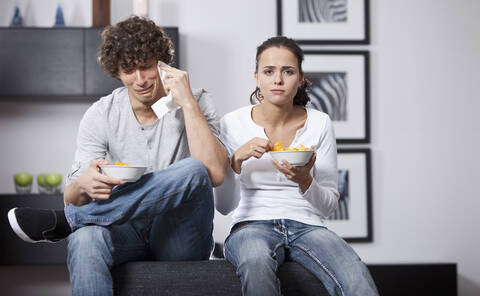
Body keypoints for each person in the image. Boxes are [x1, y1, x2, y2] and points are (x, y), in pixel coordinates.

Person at [7, 16, 229, 295]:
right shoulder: (102, 113)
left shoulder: (196, 101)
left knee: (195, 171)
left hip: (179, 233)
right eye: (129, 70)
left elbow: (215, 173)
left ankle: (68, 221)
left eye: (147, 67)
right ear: (117, 71)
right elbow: (72, 195)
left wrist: (187, 103)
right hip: (125, 229)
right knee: (85, 238)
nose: (140, 80)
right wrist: (84, 184)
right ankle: (79, 221)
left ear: (163, 62)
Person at [214, 36, 378, 296]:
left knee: (355, 274)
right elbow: (224, 207)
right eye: (269, 72)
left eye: (288, 72)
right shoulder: (231, 124)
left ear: (300, 78)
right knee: (255, 263)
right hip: (250, 224)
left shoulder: (320, 123)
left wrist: (305, 181)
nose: (278, 80)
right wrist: (235, 161)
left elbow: (328, 205)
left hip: (308, 225)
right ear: (257, 77)